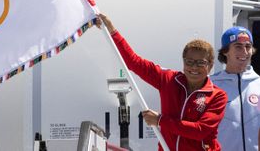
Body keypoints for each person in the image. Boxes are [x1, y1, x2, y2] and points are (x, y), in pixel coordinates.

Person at [96, 13, 227, 151]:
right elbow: (133, 62)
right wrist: (112, 30)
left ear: (210, 65)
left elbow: (200, 131)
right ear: (183, 62)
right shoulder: (168, 79)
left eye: (201, 63)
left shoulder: (217, 96)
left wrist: (160, 120)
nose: (194, 67)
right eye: (189, 61)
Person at [210, 26, 260, 151]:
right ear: (225, 51)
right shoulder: (210, 85)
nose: (244, 51)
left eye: (248, 46)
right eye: (238, 46)